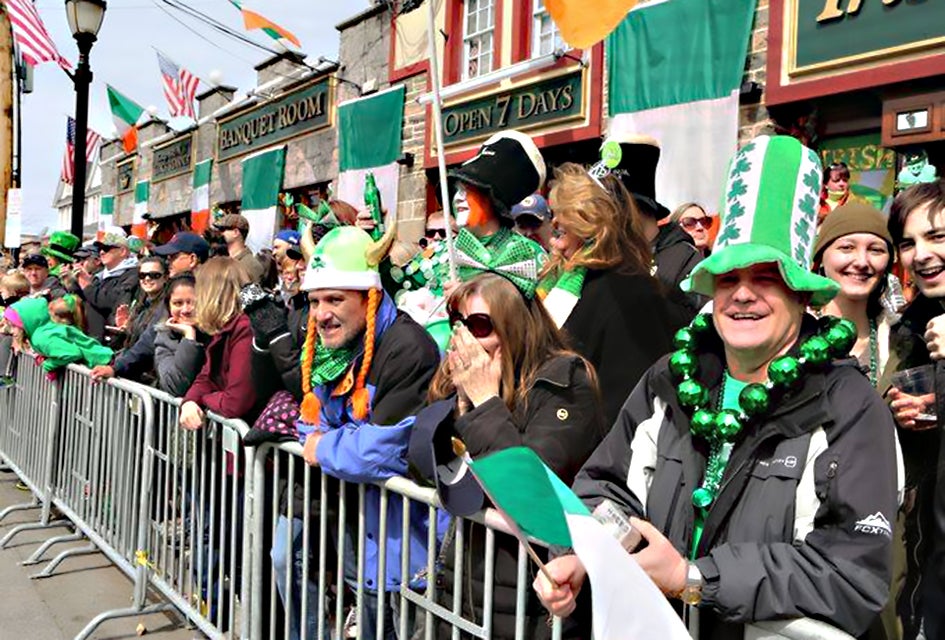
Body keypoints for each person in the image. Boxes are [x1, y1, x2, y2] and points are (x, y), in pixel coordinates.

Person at [535, 136, 899, 639]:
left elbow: (850, 573)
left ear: (800, 293)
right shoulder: (670, 378)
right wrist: (588, 552)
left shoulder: (848, 405)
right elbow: (606, 487)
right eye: (728, 277)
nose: (742, 294)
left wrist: (696, 579)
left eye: (766, 277)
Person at [410, 271, 606, 639]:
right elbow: (423, 467)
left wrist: (485, 403)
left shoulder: (565, 380)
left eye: (479, 325)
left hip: (530, 605)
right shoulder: (469, 381)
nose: (465, 338)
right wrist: (460, 405)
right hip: (464, 593)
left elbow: (529, 492)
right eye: (458, 324)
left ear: (514, 325)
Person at [276, 226, 439, 640]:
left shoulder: (409, 347)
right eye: (314, 301)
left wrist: (324, 448)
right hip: (362, 536)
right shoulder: (335, 347)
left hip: (408, 550)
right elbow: (310, 421)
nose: (320, 314)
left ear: (370, 297)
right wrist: (335, 442)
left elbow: (381, 450)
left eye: (334, 299)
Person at [538, 162, 676, 427]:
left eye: (561, 223)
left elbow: (627, 401)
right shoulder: (561, 282)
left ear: (588, 224)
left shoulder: (626, 293)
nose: (553, 226)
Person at [881, 180, 945, 640]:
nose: (921, 255)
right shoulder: (911, 328)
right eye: (908, 243)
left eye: (937, 236)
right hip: (930, 559)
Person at [589, 133, 705, 320]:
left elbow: (698, 326)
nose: (605, 216)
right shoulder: (602, 260)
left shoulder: (684, 260)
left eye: (613, 206)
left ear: (635, 207)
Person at [179, 257, 259, 426]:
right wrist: (190, 401)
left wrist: (203, 399)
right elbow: (206, 377)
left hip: (253, 430)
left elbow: (235, 402)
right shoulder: (226, 326)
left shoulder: (245, 327)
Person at [4, 297, 112, 373]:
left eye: (14, 326)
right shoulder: (43, 331)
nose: (11, 331)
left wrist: (49, 364)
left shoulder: (42, 337)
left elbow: (72, 353)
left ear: (26, 322)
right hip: (103, 361)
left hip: (105, 362)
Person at [78, 226, 139, 342]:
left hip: (112, 342)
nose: (101, 252)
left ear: (123, 251)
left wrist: (87, 286)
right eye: (100, 248)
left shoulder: (134, 274)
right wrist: (72, 282)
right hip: (91, 339)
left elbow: (112, 301)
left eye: (106, 248)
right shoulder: (99, 275)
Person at [153, 274, 204, 396]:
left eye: (192, 302)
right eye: (178, 303)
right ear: (168, 307)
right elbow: (175, 386)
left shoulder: (218, 334)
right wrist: (189, 337)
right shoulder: (165, 338)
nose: (185, 310)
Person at [215, 214, 264, 284]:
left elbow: (253, 290)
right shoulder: (221, 260)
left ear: (235, 232)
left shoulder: (250, 265)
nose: (220, 233)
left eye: (222, 230)